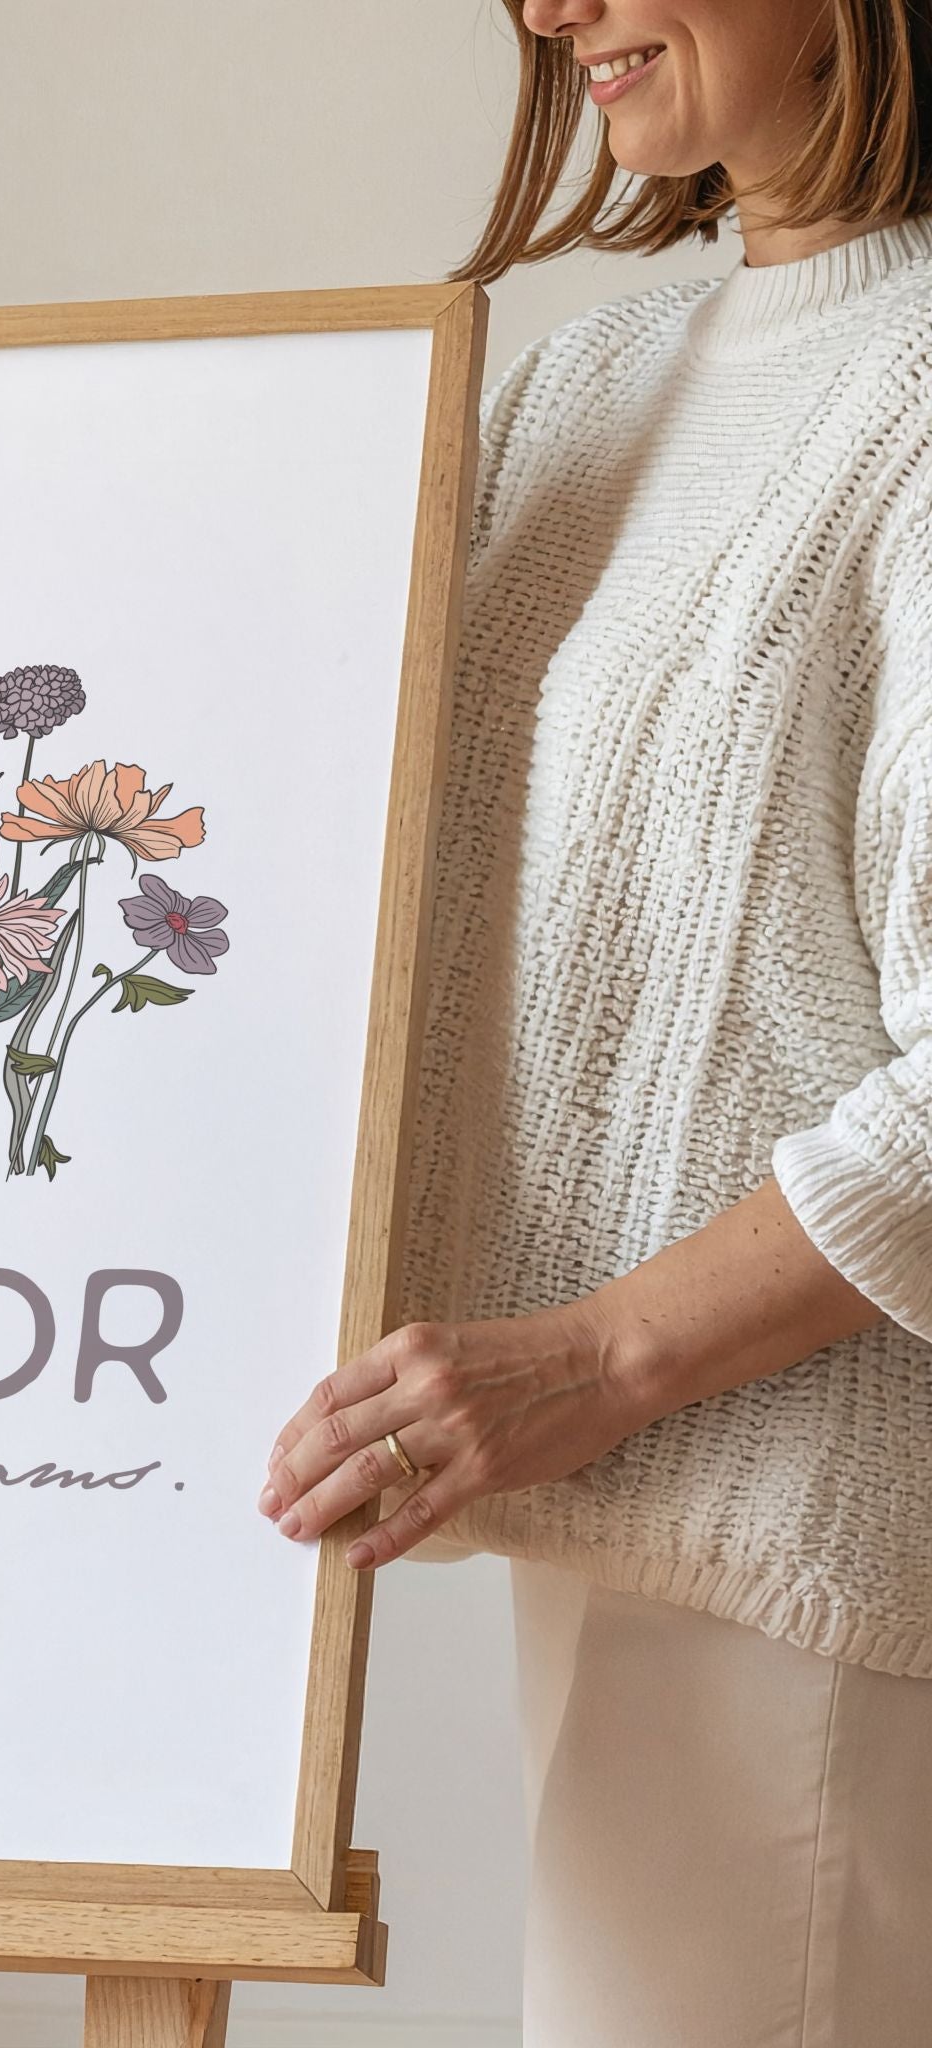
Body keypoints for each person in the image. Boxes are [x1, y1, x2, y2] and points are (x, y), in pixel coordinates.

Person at [256, 3, 932, 2041]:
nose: (547, 7)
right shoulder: (586, 384)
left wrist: (599, 1353)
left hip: (814, 1567)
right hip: (612, 1519)